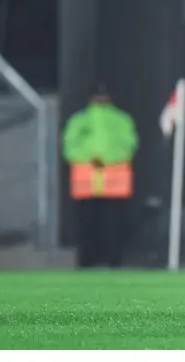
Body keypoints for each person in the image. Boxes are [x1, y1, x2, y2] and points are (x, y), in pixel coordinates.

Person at [62, 83, 138, 268]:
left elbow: (129, 144)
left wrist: (106, 159)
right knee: (87, 224)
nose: (100, 99)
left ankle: (113, 260)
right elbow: (69, 146)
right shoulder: (79, 120)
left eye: (103, 95)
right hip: (87, 183)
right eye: (97, 95)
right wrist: (91, 158)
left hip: (114, 184)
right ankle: (88, 260)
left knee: (113, 224)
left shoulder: (121, 120)